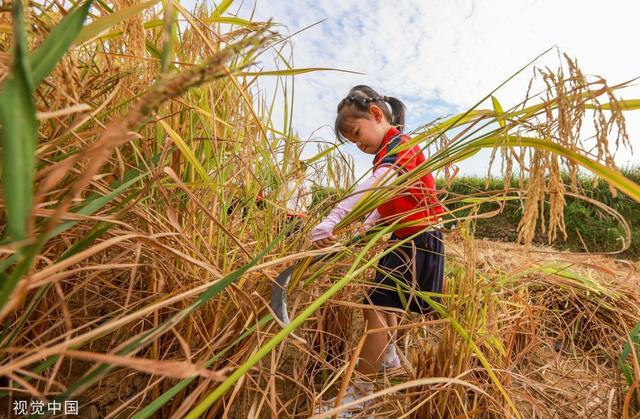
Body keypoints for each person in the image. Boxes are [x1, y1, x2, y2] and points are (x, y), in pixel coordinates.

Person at [311, 85, 446, 415]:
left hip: (418, 240)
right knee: (379, 308)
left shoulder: (398, 147)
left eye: (357, 134)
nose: (359, 144)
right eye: (353, 142)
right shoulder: (389, 152)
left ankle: (358, 399)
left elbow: (373, 188)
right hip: (407, 239)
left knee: (376, 311)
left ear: (376, 115)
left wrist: (333, 219)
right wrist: (367, 224)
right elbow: (383, 201)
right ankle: (387, 360)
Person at [278, 162, 312, 236]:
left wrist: (304, 196)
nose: (293, 170)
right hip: (286, 214)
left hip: (299, 215)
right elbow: (280, 197)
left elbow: (308, 202)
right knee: (282, 237)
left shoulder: (306, 184)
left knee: (294, 238)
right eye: (292, 168)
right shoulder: (288, 181)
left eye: (296, 168)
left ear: (303, 170)